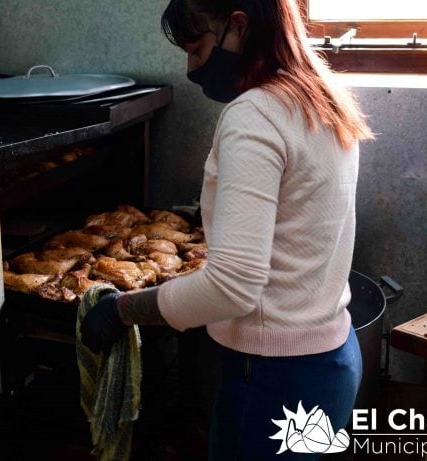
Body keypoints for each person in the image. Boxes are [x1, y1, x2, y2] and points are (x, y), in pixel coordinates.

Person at [80, 0, 374, 458]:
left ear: (238, 27)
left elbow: (233, 285)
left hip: (275, 376)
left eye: (197, 49)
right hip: (330, 357)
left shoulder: (255, 114)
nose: (192, 68)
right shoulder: (321, 93)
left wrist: (123, 310)